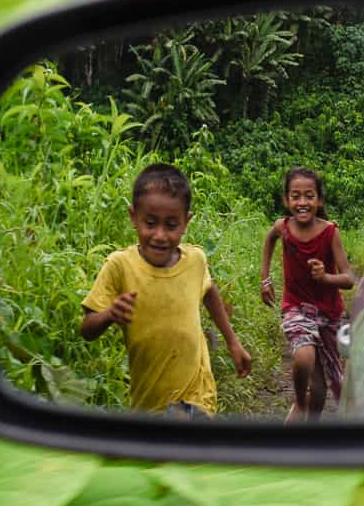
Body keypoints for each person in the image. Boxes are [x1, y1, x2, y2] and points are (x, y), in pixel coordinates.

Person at [80, 163, 251, 418]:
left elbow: (208, 291)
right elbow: (87, 329)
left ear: (186, 223)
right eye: (150, 223)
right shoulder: (120, 266)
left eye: (171, 225)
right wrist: (109, 315)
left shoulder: (195, 260)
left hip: (197, 397)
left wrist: (233, 342)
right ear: (133, 217)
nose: (160, 235)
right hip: (148, 405)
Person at [260, 167, 356, 423]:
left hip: (328, 314)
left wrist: (326, 278)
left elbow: (349, 279)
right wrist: (265, 278)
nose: (302, 202)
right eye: (296, 196)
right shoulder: (283, 227)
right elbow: (269, 240)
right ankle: (300, 402)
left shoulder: (330, 232)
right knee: (303, 354)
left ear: (319, 200)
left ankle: (305, 435)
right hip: (295, 307)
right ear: (286, 200)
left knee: (323, 390)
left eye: (309, 196)